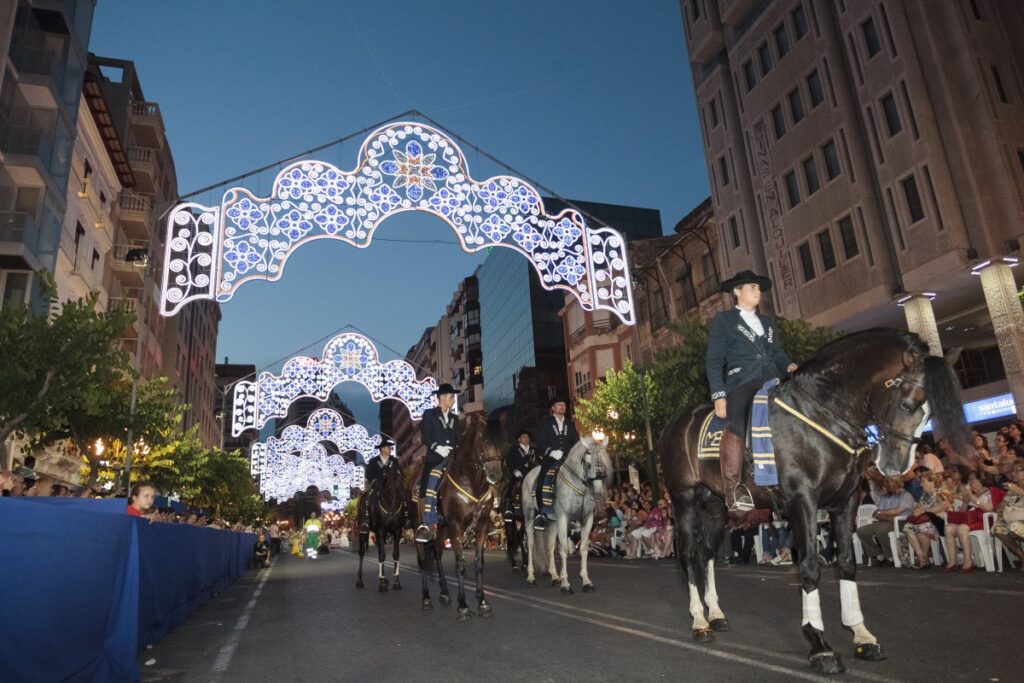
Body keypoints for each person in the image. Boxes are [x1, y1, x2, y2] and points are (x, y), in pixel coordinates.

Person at [705, 270, 797, 521]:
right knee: (736, 423)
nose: (758, 292)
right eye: (752, 287)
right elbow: (714, 360)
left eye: (759, 288)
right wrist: (719, 394)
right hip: (741, 382)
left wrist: (790, 366)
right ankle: (733, 489)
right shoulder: (724, 321)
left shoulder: (767, 323)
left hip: (771, 380)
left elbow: (778, 353)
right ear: (737, 291)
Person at [415, 384, 461, 543]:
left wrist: (454, 448)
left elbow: (458, 438)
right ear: (442, 398)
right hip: (435, 458)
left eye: (453, 397)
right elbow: (426, 436)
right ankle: (427, 523)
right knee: (431, 486)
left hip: (452, 458)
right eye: (451, 397)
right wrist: (438, 448)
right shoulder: (429, 414)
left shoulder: (455, 418)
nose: (453, 400)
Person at [533, 397, 580, 531]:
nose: (562, 406)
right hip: (551, 458)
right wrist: (551, 452)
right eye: (559, 404)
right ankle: (541, 513)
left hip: (567, 459)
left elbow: (576, 442)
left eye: (563, 404)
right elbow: (539, 442)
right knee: (541, 480)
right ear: (553, 408)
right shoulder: (545, 422)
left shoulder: (569, 424)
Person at [856, 475, 914, 566]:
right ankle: (879, 554)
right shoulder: (884, 497)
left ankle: (891, 556)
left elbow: (897, 511)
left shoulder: (905, 495)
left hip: (901, 523)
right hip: (886, 521)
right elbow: (876, 513)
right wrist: (885, 515)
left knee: (881, 530)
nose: (885, 484)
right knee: (861, 531)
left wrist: (882, 514)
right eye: (885, 482)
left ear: (896, 483)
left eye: (888, 482)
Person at [359, 438, 397, 533]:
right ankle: (366, 521)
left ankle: (405, 518)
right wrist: (374, 481)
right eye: (388, 448)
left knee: (402, 497)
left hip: (391, 486)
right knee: (367, 498)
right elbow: (368, 474)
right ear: (383, 449)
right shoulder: (374, 461)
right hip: (377, 486)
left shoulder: (394, 460)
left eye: (390, 448)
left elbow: (398, 471)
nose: (390, 450)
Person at [502, 429, 535, 523]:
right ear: (519, 439)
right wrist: (515, 471)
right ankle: (508, 508)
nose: (526, 439)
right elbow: (509, 461)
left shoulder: (533, 449)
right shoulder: (514, 449)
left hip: (532, 474)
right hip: (519, 474)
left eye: (527, 437)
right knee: (511, 485)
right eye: (524, 437)